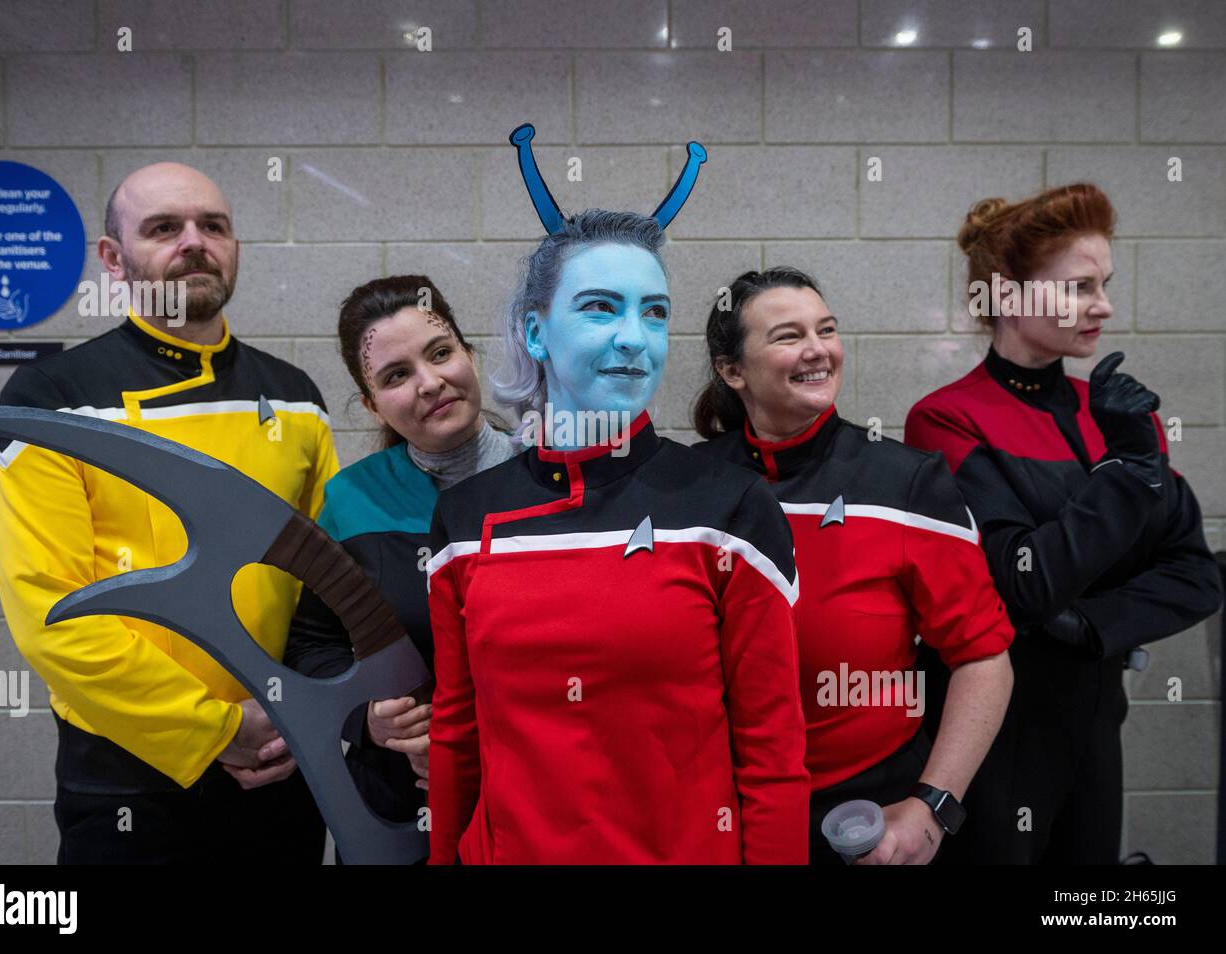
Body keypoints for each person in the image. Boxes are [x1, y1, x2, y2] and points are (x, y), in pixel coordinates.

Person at [426, 207, 810, 865]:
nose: (635, 337)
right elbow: (457, 735)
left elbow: (772, 752)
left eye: (654, 313)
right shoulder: (464, 520)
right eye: (602, 308)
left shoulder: (730, 509)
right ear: (537, 333)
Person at [0, 162, 339, 863]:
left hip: (282, 758)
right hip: (126, 773)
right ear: (113, 259)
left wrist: (298, 707)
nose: (194, 242)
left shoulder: (295, 397)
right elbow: (50, 612)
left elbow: (328, 587)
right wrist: (208, 727)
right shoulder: (48, 395)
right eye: (163, 228)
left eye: (214, 226)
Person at [906, 183, 1223, 864]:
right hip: (998, 728)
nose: (1105, 306)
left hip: (1096, 718)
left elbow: (1195, 573)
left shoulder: (1116, 413)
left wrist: (1089, 628)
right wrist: (1125, 474)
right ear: (1010, 296)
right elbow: (1023, 582)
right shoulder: (947, 419)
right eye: (1080, 287)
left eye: (1105, 284)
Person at [692, 266, 1015, 865]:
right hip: (719, 811)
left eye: (827, 329)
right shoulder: (689, 486)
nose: (818, 350)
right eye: (788, 336)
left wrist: (932, 809)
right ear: (732, 370)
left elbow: (983, 658)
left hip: (865, 816)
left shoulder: (907, 482)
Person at [283, 275, 514, 847]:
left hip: (534, 798)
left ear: (469, 354)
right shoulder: (351, 500)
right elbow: (310, 649)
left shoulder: (548, 477)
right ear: (371, 404)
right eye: (396, 376)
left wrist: (474, 747)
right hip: (398, 814)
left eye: (440, 353)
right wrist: (367, 721)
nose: (430, 383)